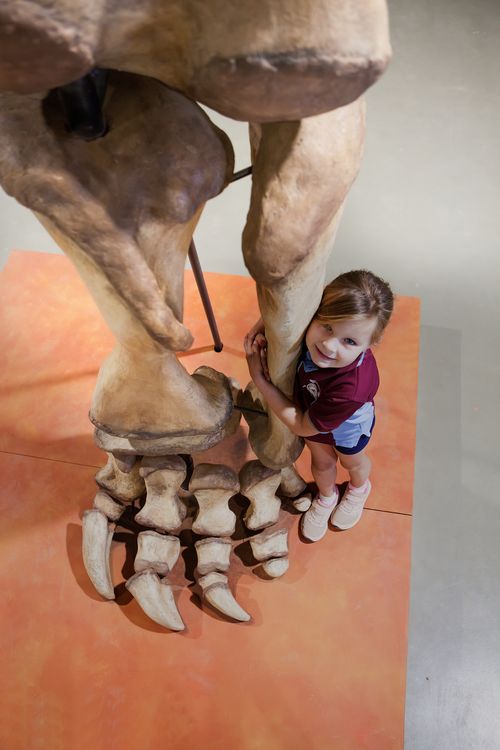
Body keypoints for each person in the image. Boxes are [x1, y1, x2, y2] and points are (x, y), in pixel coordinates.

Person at [244, 269, 394, 542]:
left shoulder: (352, 389)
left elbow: (301, 426)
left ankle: (359, 488)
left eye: (349, 341)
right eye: (327, 325)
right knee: (322, 461)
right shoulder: (314, 333)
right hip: (314, 409)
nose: (328, 345)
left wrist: (260, 380)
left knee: (351, 460)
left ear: (370, 344)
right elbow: (287, 309)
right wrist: (261, 324)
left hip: (346, 424)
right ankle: (326, 496)